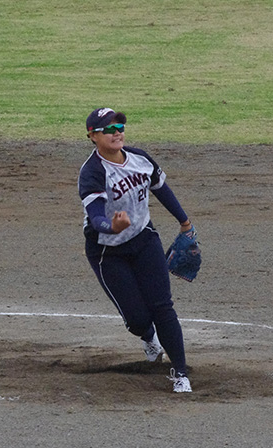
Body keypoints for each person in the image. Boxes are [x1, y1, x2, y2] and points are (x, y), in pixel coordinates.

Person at [77, 108, 194, 393]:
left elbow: (161, 189)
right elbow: (95, 216)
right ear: (92, 136)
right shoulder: (92, 172)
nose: (117, 132)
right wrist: (112, 226)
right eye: (108, 128)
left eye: (120, 126)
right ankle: (147, 337)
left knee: (162, 307)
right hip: (107, 251)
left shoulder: (140, 159)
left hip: (144, 240)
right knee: (138, 319)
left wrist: (184, 221)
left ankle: (180, 372)